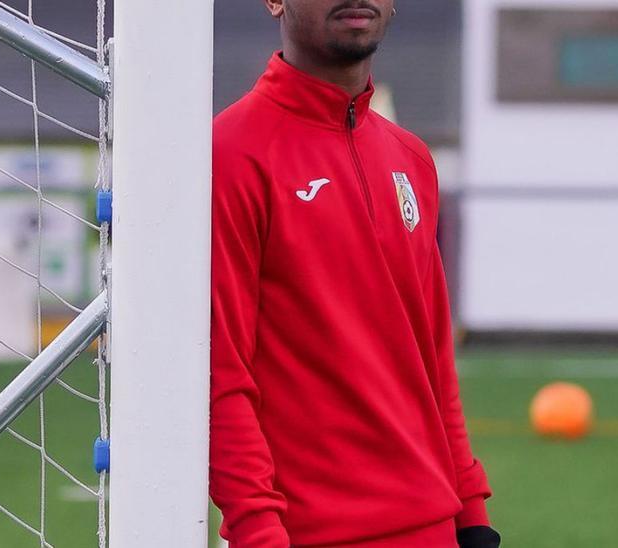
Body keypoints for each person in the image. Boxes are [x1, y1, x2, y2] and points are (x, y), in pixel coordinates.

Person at [209, 1, 499, 546]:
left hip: (433, 529)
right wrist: (256, 531)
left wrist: (471, 509)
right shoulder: (229, 155)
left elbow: (432, 355)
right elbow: (220, 373)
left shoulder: (411, 158)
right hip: (306, 535)